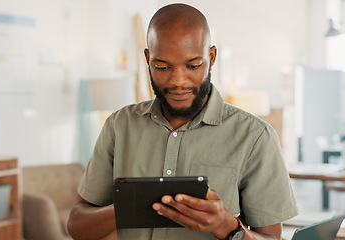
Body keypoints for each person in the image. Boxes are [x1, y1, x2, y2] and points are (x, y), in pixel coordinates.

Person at [67, 3, 298, 240]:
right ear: (148, 59)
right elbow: (76, 224)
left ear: (211, 57)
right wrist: (131, 206)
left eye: (193, 65)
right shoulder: (119, 126)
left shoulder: (255, 137)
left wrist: (225, 226)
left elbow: (272, 238)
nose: (178, 81)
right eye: (162, 66)